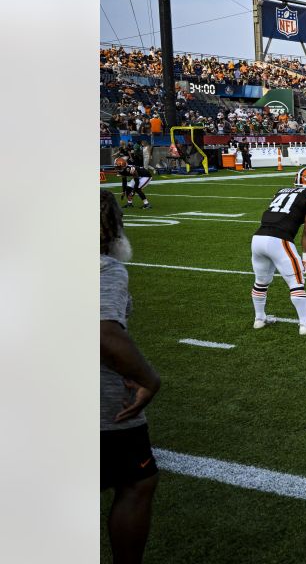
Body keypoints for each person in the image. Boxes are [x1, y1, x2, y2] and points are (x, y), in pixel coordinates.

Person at [100, 191, 162, 564]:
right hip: (100, 404)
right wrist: (150, 380)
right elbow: (104, 332)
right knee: (137, 482)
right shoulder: (104, 268)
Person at [251, 167, 306, 334]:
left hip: (258, 238)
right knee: (296, 282)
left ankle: (259, 319)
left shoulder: (281, 191)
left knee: (261, 281)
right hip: (279, 240)